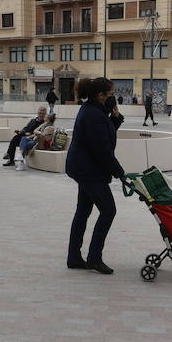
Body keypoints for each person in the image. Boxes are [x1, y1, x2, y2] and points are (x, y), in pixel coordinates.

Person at [65, 76, 125, 275]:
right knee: (108, 211)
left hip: (84, 169)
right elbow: (102, 150)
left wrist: (115, 117)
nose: (113, 98)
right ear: (101, 95)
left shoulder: (94, 111)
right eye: (111, 94)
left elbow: (104, 134)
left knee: (83, 212)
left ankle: (74, 257)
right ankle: (94, 258)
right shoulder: (94, 114)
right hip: (88, 170)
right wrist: (119, 172)